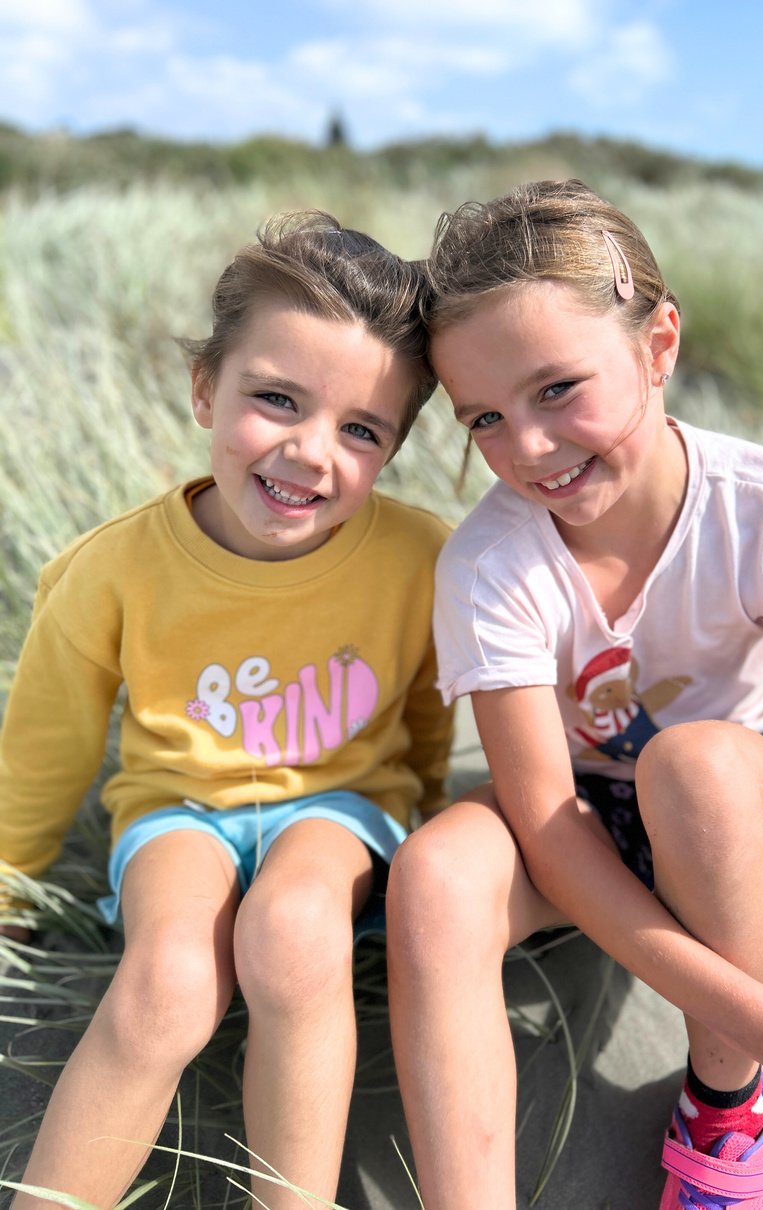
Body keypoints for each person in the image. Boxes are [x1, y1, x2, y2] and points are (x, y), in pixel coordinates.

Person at [386, 179, 763, 1208]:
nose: (528, 448)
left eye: (556, 388)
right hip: (571, 817)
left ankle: (720, 1104)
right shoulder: (491, 562)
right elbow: (543, 817)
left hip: (723, 813)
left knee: (696, 765)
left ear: (657, 343)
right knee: (433, 879)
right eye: (483, 417)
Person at [0, 211, 453, 1208]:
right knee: (167, 979)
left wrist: (417, 809)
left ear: (392, 447)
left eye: (360, 429)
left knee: (292, 931)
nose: (307, 452)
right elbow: (49, 741)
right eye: (275, 398)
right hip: (178, 813)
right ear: (207, 385)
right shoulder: (110, 568)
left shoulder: (417, 558)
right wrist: (10, 884)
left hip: (340, 811)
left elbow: (426, 711)